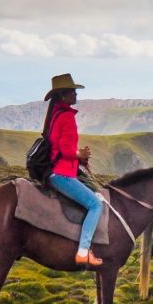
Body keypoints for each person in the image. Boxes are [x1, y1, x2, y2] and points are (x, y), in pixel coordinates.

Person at [43, 73, 104, 266]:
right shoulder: (67, 117)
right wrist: (81, 154)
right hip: (62, 174)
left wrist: (78, 155)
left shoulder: (55, 115)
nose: (76, 95)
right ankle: (83, 251)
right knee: (96, 205)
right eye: (72, 91)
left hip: (56, 170)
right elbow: (66, 150)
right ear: (63, 95)